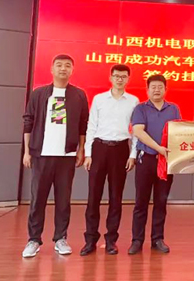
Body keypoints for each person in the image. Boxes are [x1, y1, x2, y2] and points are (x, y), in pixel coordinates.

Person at [21, 54, 88, 258]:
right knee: (37, 199)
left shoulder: (78, 95)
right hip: (41, 154)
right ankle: (33, 240)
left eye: (67, 65)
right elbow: (28, 122)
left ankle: (60, 238)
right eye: (59, 65)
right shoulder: (39, 94)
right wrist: (27, 151)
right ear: (52, 69)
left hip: (66, 155)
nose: (63, 68)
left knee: (63, 200)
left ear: (72, 70)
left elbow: (83, 125)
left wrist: (81, 149)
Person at [80, 64, 139, 256]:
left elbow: (136, 131)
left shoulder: (133, 101)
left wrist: (132, 155)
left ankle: (111, 240)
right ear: (111, 78)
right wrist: (88, 153)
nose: (119, 79)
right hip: (99, 148)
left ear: (128, 79)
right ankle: (90, 240)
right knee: (93, 197)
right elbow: (91, 126)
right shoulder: (99, 99)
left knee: (116, 197)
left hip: (121, 149)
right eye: (116, 76)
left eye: (123, 76)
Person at [128, 74, 182, 255]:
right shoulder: (140, 108)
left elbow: (179, 132)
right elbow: (138, 131)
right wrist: (158, 148)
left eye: (160, 87)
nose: (157, 90)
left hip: (166, 161)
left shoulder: (173, 109)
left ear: (165, 89)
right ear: (147, 90)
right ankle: (137, 240)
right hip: (147, 159)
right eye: (153, 87)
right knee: (141, 202)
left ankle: (157, 239)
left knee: (161, 201)